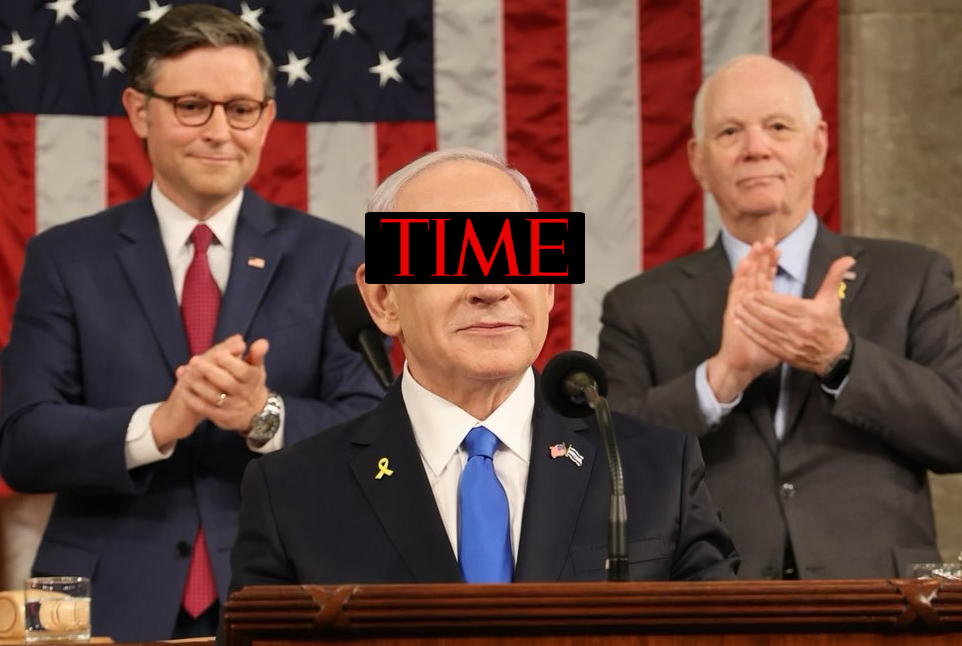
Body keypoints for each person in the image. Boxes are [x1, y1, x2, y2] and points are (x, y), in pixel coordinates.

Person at [0, 4, 383, 641]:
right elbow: (22, 444)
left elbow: (376, 433)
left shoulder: (336, 255)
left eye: (241, 108)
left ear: (267, 118)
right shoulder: (63, 258)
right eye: (192, 106)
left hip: (289, 591)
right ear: (138, 111)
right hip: (94, 601)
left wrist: (262, 415)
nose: (219, 131)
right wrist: (158, 424)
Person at [227, 148, 738, 597]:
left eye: (517, 252)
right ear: (383, 298)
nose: (491, 288)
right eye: (448, 255)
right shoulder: (291, 493)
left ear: (549, 287)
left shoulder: (656, 469)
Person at [598, 54, 962, 580]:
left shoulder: (912, 276)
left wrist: (841, 359)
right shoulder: (636, 305)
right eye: (730, 132)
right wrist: (721, 378)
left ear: (819, 145)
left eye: (778, 127)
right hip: (711, 594)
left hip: (881, 595)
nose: (756, 148)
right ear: (699, 160)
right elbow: (606, 463)